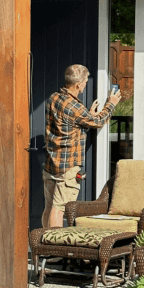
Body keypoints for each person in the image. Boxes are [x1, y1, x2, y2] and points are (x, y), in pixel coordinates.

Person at [42, 64, 122, 228]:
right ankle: (54, 247)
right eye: (85, 81)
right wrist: (111, 103)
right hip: (68, 167)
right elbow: (99, 122)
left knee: (49, 207)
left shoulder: (54, 98)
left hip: (51, 164)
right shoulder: (74, 107)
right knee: (59, 209)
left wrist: (87, 117)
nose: (86, 84)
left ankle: (43, 246)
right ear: (79, 85)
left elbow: (68, 126)